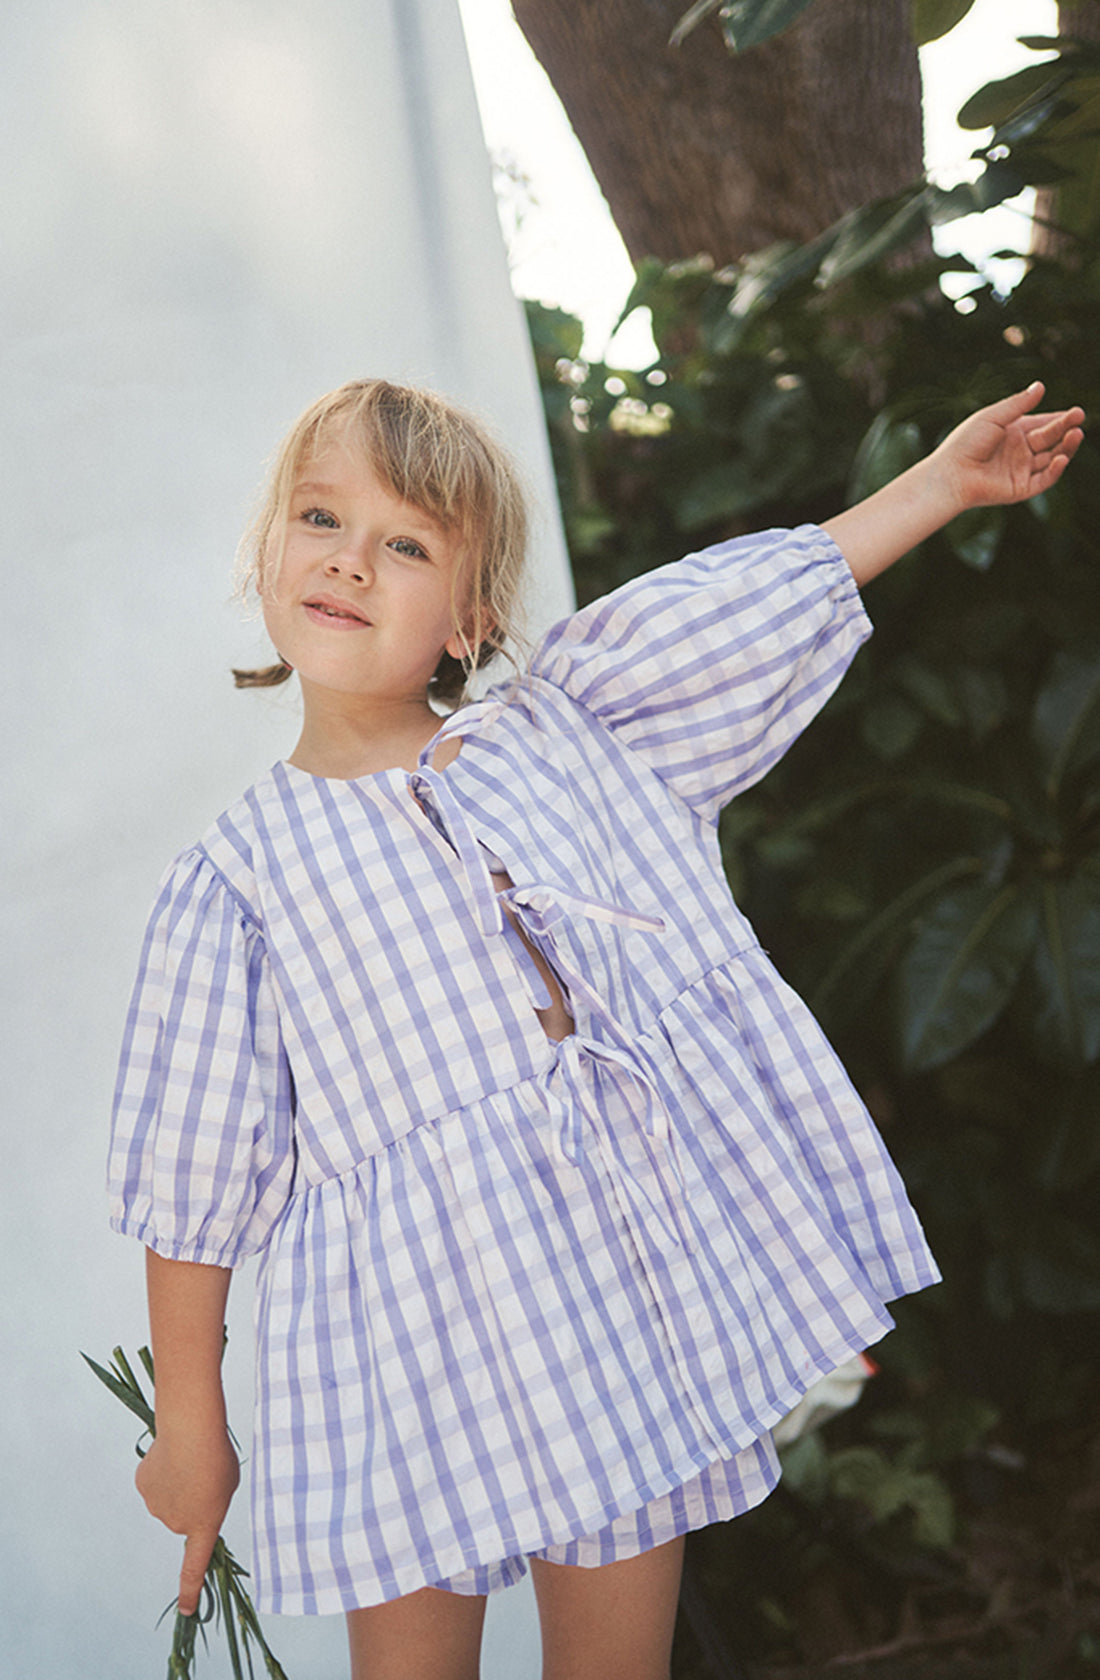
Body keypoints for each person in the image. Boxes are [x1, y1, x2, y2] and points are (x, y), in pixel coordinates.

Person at [109, 377, 1083, 1680]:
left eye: (406, 542)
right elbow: (197, 1188)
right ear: (270, 552)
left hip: (614, 1303)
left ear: (473, 615)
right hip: (413, 1343)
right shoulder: (236, 886)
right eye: (321, 518)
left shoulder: (573, 729)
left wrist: (938, 486)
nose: (349, 558)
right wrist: (192, 1427)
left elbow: (736, 617)